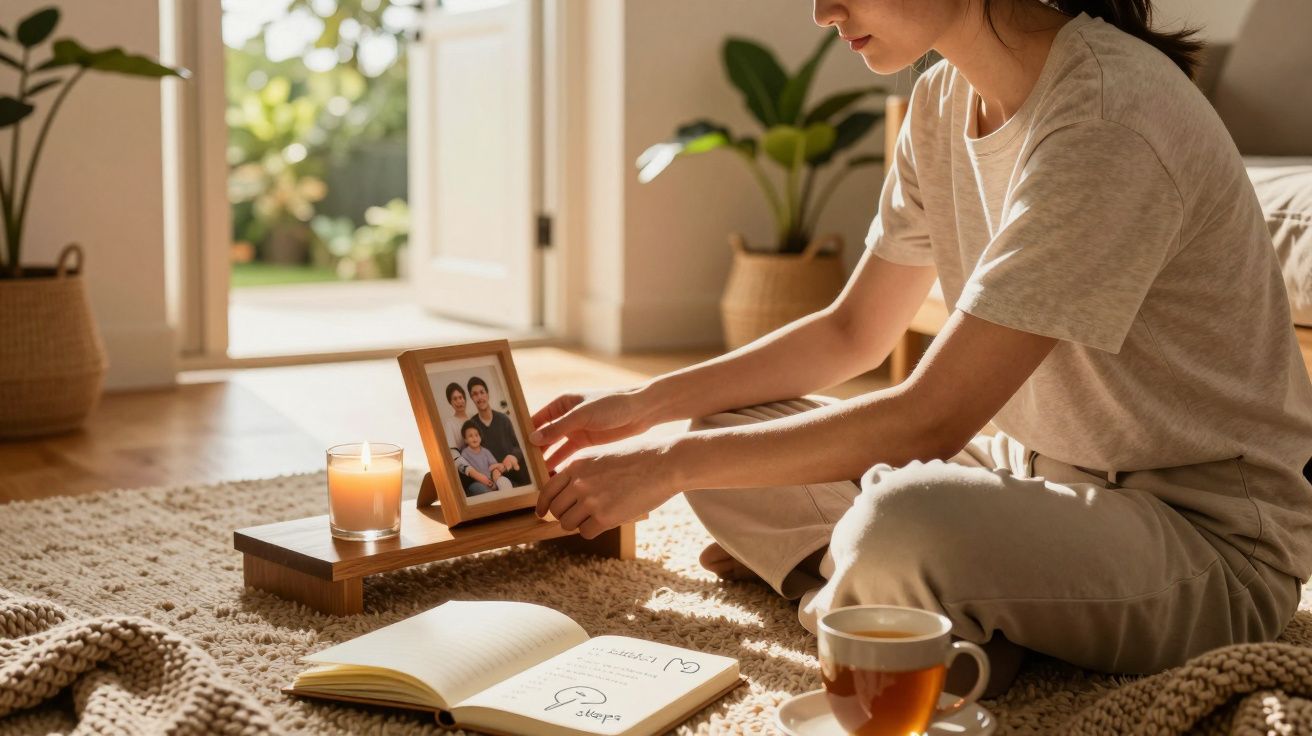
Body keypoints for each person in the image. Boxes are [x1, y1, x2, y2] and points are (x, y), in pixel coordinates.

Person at [527, 0, 1312, 698]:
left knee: (896, 521)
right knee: (720, 433)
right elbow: (852, 331)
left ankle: (864, 584)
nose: (822, 11)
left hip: (1207, 542)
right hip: (1030, 469)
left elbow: (928, 421)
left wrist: (663, 470)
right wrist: (646, 408)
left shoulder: (1109, 115)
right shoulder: (941, 99)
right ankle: (913, 606)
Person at [466, 376, 529, 486]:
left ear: (487, 394)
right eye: (475, 394)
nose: (479, 397)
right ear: (471, 398)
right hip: (496, 477)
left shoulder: (503, 419)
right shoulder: (472, 425)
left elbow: (518, 446)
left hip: (515, 471)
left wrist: (513, 456)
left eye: (482, 392)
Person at [441, 382, 497, 497]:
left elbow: (486, 446)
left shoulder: (474, 417)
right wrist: (477, 475)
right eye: (455, 399)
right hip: (469, 476)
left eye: (461, 397)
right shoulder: (449, 423)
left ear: (465, 398)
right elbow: (454, 455)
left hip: (486, 468)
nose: (459, 401)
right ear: (450, 402)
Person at [460, 422, 515, 492]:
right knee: (478, 488)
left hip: (491, 478)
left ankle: (508, 496)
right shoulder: (465, 453)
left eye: (477, 435)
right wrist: (489, 483)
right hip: (477, 482)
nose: (474, 438)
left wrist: (496, 473)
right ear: (465, 440)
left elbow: (493, 465)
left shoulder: (485, 451)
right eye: (470, 436)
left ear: (480, 437)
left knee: (503, 480)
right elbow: (467, 471)